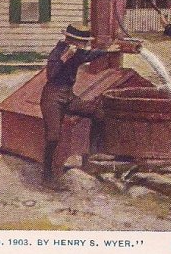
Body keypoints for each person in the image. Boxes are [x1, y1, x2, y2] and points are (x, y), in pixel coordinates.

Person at [40, 23, 120, 182]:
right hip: (52, 97)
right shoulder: (57, 52)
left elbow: (90, 55)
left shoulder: (78, 53)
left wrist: (107, 51)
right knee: (53, 137)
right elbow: (51, 74)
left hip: (68, 96)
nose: (85, 45)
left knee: (98, 114)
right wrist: (64, 58)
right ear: (71, 40)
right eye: (83, 42)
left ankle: (92, 156)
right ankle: (47, 174)